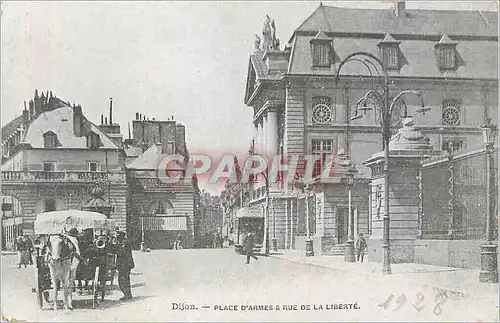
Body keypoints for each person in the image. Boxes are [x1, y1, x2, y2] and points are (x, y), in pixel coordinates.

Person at [115, 231, 134, 301]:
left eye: (118, 236)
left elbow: (121, 252)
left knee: (123, 280)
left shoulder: (124, 242)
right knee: (124, 280)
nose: (116, 237)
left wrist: (115, 248)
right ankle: (127, 294)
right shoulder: (123, 241)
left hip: (125, 265)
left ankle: (127, 295)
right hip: (124, 265)